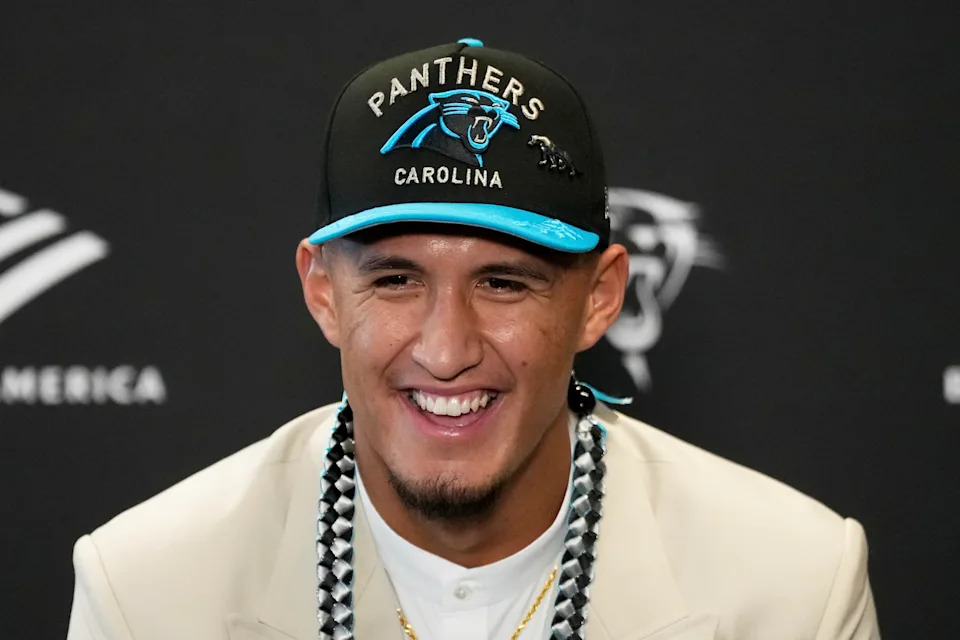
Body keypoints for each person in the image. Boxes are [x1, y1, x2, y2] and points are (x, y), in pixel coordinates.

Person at [66, 39, 880, 640]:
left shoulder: (794, 587)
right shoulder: (148, 591)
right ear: (323, 293)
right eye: (396, 279)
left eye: (504, 283)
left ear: (599, 299)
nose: (446, 350)